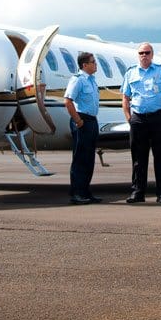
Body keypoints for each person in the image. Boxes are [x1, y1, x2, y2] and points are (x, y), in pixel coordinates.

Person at [121, 43, 161, 204]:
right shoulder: (130, 73)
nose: (144, 55)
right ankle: (138, 192)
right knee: (138, 158)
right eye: (141, 53)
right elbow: (125, 98)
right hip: (138, 119)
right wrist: (129, 119)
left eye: (147, 52)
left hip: (158, 118)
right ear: (138, 55)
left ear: (152, 54)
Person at [64, 51, 101, 205]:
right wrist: (78, 121)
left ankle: (85, 192)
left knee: (89, 159)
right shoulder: (78, 80)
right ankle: (77, 193)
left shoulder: (92, 80)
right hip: (82, 120)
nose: (95, 64)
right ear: (85, 65)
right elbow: (68, 101)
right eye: (93, 62)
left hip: (92, 120)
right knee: (80, 159)